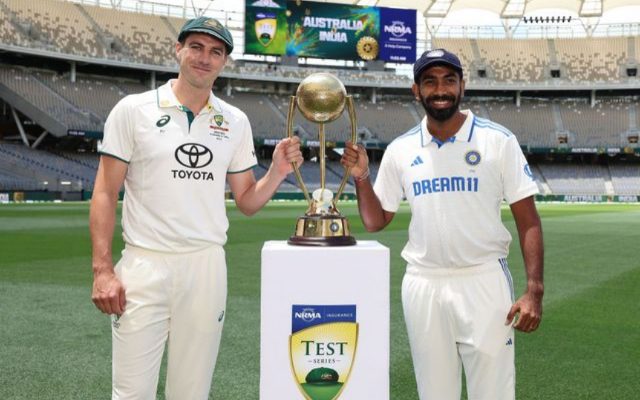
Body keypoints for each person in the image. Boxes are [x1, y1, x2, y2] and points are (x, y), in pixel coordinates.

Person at [90, 17, 302, 399]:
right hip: (144, 264)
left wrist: (276, 172)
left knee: (191, 392)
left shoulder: (234, 121)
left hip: (205, 267)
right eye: (197, 47)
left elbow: (248, 201)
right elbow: (105, 191)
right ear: (178, 50)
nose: (205, 58)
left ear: (224, 62)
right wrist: (103, 269)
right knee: (131, 392)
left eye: (216, 51)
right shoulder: (133, 110)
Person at [341, 48, 543, 400]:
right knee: (434, 393)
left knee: (493, 393)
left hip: (483, 281)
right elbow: (375, 221)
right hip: (423, 284)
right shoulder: (401, 149)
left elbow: (528, 219)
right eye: (430, 82)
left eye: (449, 80)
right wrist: (361, 178)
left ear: (462, 86)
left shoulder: (498, 140)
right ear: (416, 90)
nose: (440, 90)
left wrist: (534, 291)